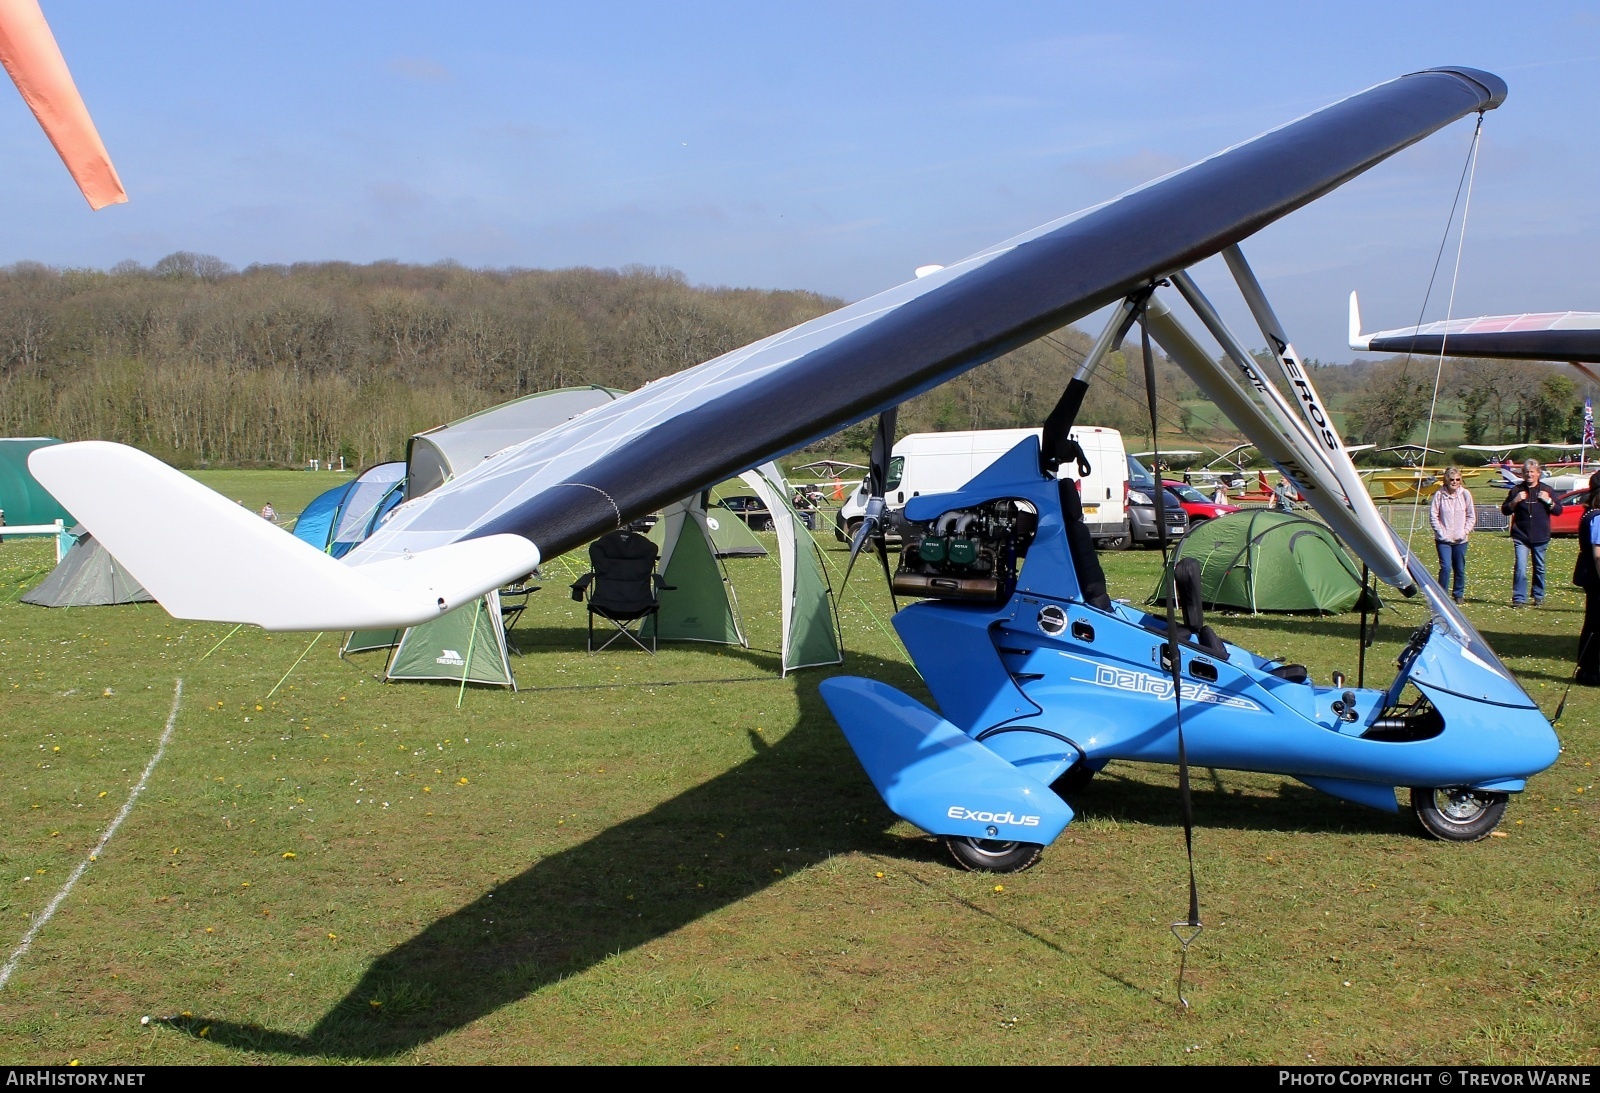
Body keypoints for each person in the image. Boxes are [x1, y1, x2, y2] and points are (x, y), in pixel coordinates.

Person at [1501, 459, 1563, 607]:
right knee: (1521, 568)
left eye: (1532, 472)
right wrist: (1515, 501)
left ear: (1538, 474)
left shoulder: (1546, 490)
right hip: (1521, 535)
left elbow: (1558, 511)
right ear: (1523, 474)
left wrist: (1548, 501)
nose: (1529, 475)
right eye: (1527, 472)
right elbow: (1505, 510)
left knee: (1540, 567)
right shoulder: (1516, 490)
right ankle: (1519, 598)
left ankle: (1538, 595)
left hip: (1541, 535)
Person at [1428, 466, 1475, 604]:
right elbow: (1433, 516)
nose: (1455, 482)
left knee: (1459, 567)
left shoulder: (1465, 494)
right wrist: (1441, 533)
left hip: (1461, 539)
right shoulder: (1439, 495)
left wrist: (1464, 532)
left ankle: (1458, 593)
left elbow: (1471, 516)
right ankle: (1441, 594)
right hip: (1444, 540)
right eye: (1452, 479)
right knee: (1446, 567)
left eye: (1458, 479)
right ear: (1446, 480)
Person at [1574, 472, 1600, 686]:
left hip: (1589, 576)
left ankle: (1587, 668)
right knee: (1595, 626)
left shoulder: (1588, 515)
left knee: (1592, 623)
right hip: (1596, 578)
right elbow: (1599, 554)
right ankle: (1591, 670)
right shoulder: (1597, 518)